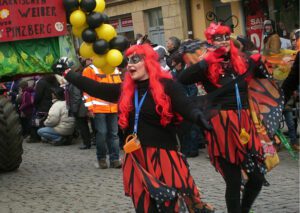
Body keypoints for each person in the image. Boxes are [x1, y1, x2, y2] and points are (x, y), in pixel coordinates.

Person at [54, 44, 214, 213]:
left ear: (149, 62)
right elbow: (96, 88)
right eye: (128, 60)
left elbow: (185, 105)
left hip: (163, 156)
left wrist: (198, 117)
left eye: (135, 59)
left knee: (170, 206)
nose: (129, 64)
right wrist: (67, 73)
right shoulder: (126, 89)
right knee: (144, 208)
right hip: (136, 157)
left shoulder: (167, 86)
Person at [178, 22, 272, 213]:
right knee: (234, 180)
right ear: (210, 43)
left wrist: (259, 61)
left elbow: (264, 77)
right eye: (217, 39)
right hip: (222, 125)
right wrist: (209, 60)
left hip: (245, 121)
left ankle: (244, 209)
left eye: (225, 37)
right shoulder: (206, 64)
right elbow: (183, 78)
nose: (222, 42)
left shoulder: (242, 61)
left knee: (256, 177)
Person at [82, 64, 122, 169]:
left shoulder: (114, 68)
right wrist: (90, 108)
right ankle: (102, 158)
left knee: (113, 134)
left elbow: (119, 87)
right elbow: (86, 90)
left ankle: (115, 159)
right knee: (102, 133)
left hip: (113, 107)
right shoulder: (90, 69)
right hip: (98, 108)